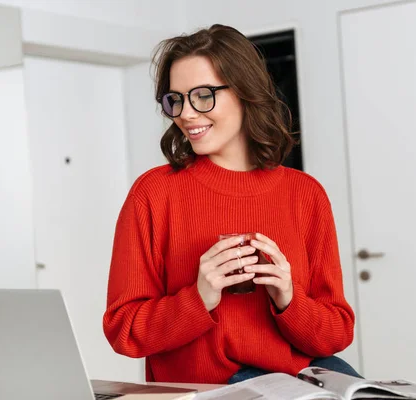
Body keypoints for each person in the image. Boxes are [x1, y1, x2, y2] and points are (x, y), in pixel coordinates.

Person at [103, 24, 360, 385]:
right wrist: (198, 298)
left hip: (299, 386)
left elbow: (336, 334)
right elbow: (124, 331)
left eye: (203, 95)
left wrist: (289, 298)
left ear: (245, 93)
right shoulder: (153, 193)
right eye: (175, 99)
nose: (187, 114)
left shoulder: (306, 194)